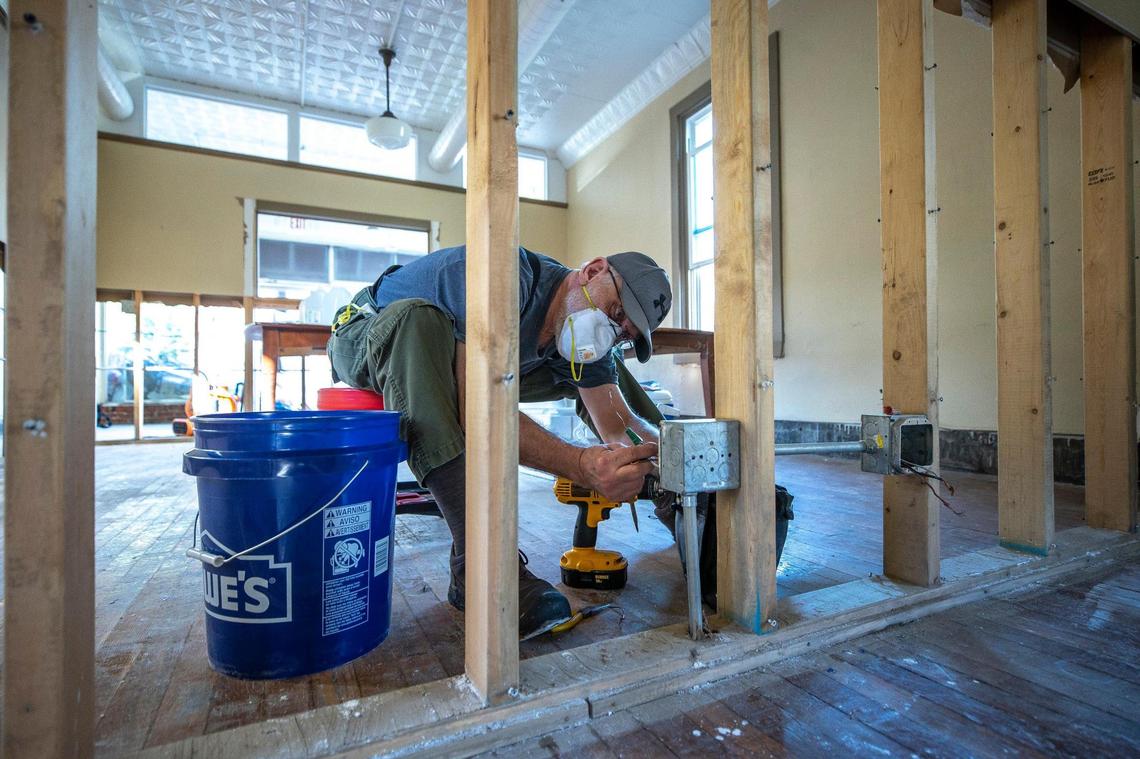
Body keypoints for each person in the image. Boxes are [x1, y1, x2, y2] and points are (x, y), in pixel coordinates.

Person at [327, 245, 674, 637]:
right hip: (369, 331)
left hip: (475, 358)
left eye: (622, 333)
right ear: (592, 271)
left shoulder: (583, 324)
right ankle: (480, 564)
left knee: (608, 373)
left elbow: (618, 422)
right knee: (421, 324)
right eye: (614, 314)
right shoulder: (502, 278)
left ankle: (682, 500)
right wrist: (581, 466)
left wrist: (667, 457)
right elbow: (475, 406)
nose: (609, 331)